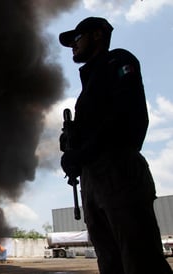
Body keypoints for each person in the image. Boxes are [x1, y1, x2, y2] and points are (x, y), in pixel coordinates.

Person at [58, 17, 173, 274]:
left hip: (118, 171)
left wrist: (83, 151)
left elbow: (125, 117)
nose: (73, 47)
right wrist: (71, 140)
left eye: (77, 39)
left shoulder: (117, 62)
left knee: (141, 260)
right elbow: (96, 124)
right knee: (110, 262)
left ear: (98, 35)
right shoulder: (89, 84)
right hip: (93, 178)